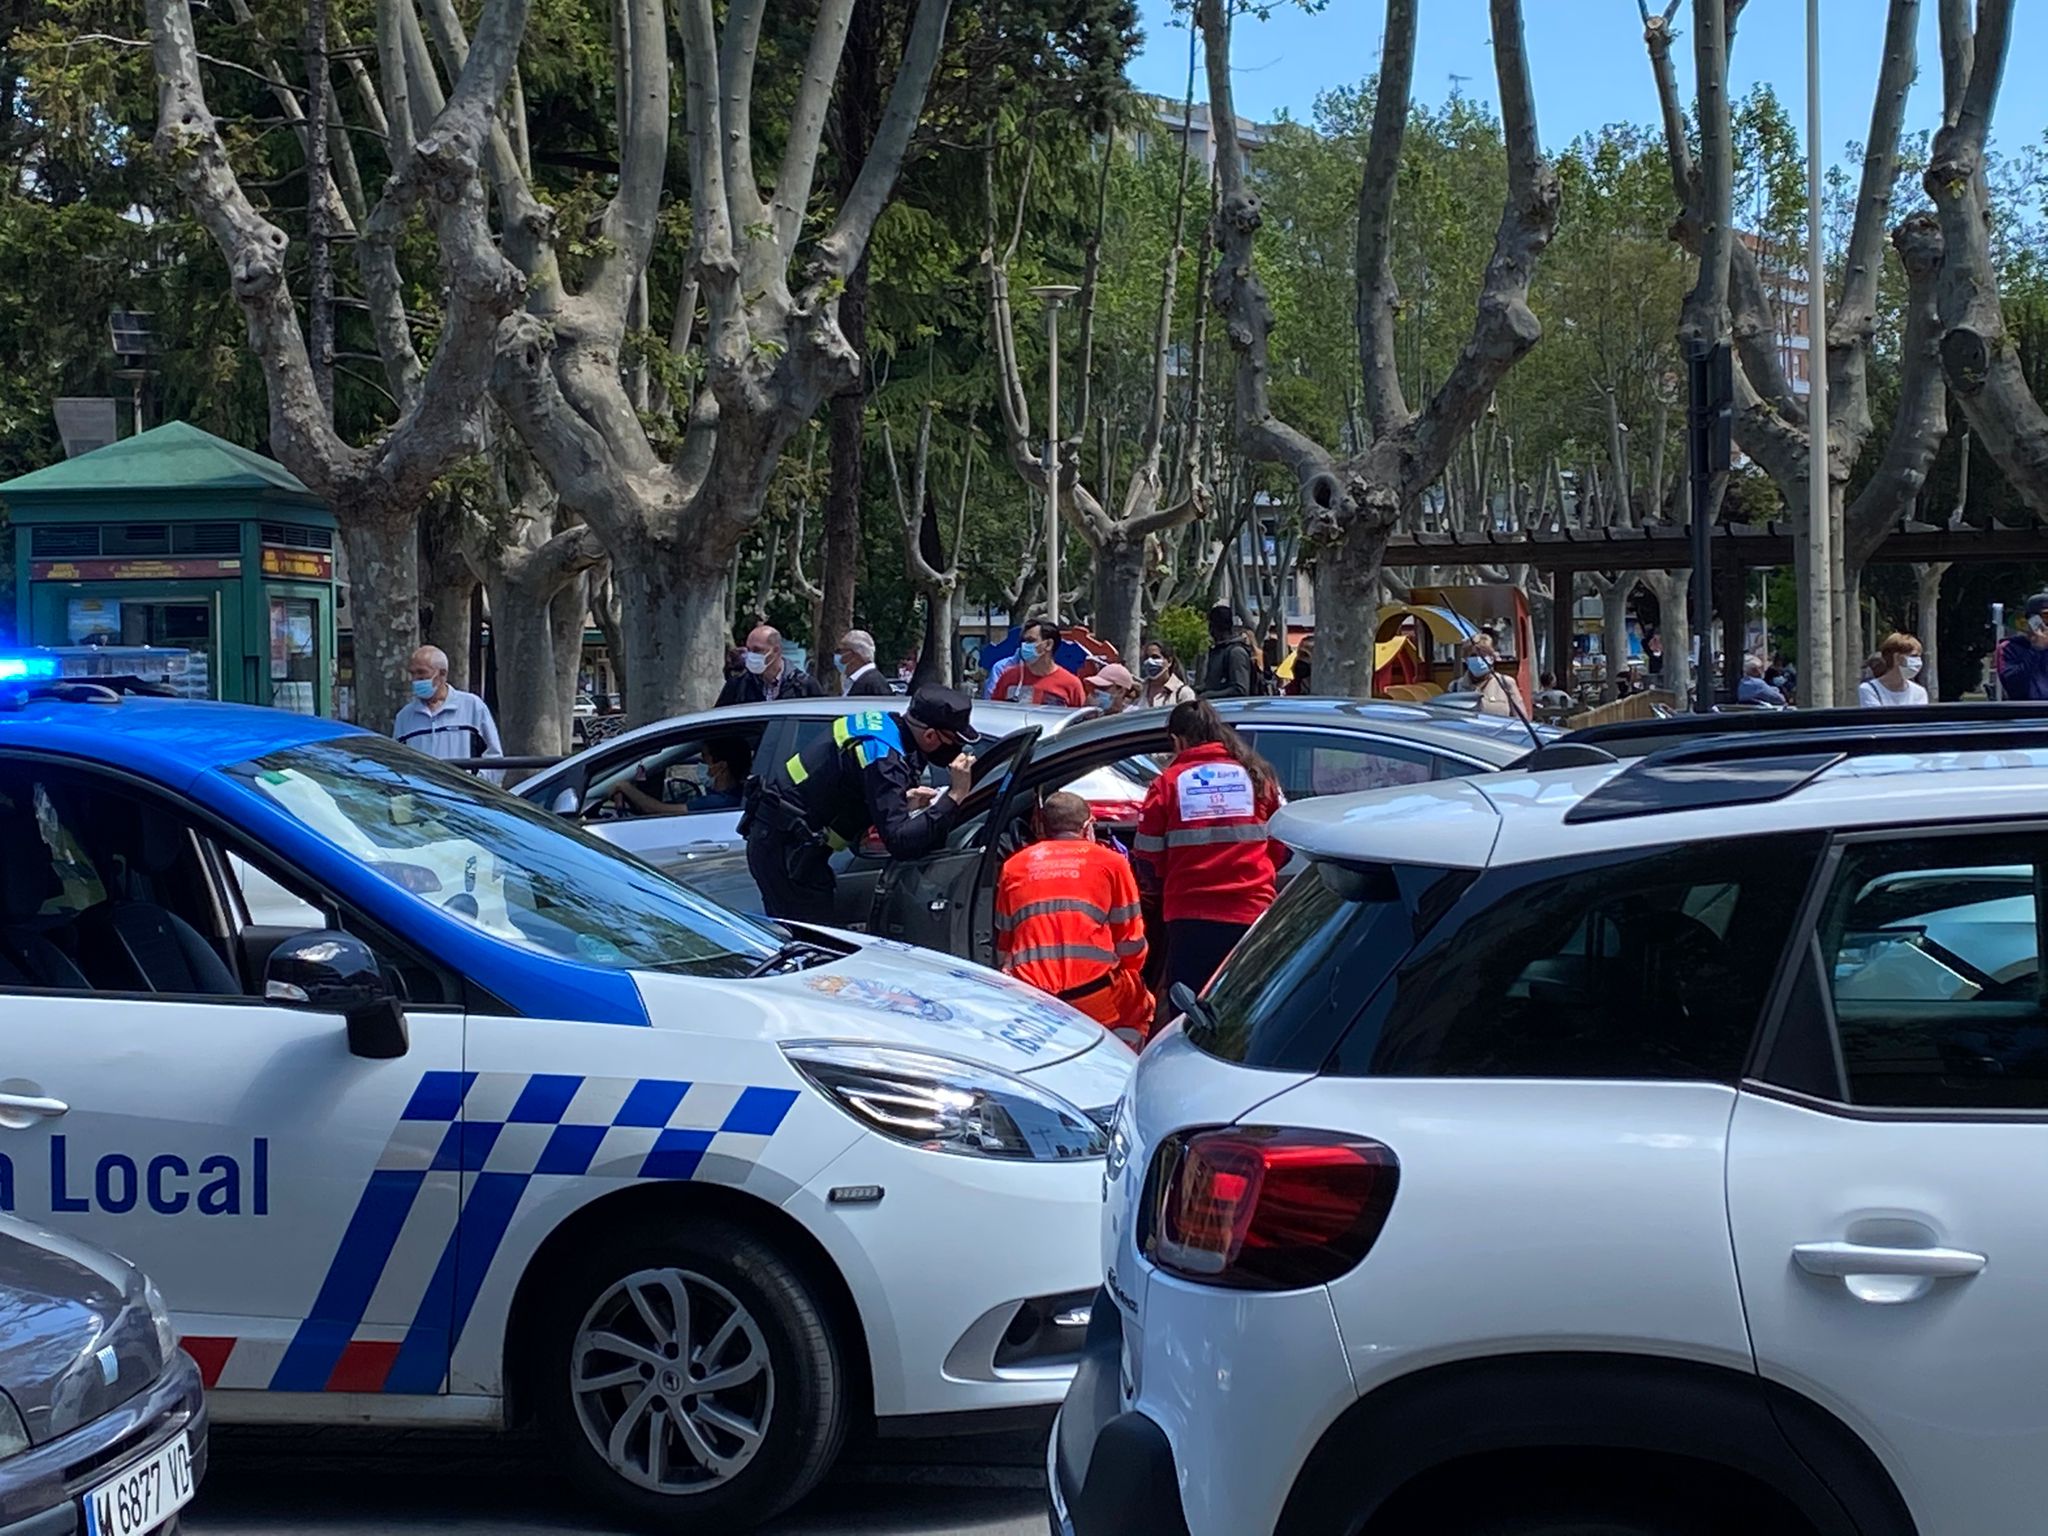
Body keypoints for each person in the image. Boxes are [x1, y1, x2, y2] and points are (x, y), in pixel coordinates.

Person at [741, 687, 979, 922]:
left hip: (783, 839)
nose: (957, 750)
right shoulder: (884, 756)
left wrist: (902, 802)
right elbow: (900, 842)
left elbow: (849, 785)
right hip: (784, 849)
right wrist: (955, 796)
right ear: (929, 736)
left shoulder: (885, 726)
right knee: (812, 943)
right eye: (954, 741)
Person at [1135, 699, 1287, 1015]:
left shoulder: (1169, 783)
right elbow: (1281, 841)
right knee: (1244, 1011)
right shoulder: (1256, 775)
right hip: (1251, 909)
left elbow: (1147, 856)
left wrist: (1169, 879)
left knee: (1193, 1013)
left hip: (1190, 915)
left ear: (1177, 740)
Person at [994, 791, 1153, 1048]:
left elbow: (1005, 945)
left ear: (1041, 828)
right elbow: (1131, 945)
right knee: (1139, 1002)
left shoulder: (1013, 866)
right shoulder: (1112, 863)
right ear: (1088, 826)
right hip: (1093, 995)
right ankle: (1121, 1064)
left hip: (1032, 996)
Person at [394, 645, 503, 777]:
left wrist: (476, 786)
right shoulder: (404, 717)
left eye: (422, 673)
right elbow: (398, 763)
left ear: (442, 674)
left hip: (464, 794)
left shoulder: (472, 707)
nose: (415, 679)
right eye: (413, 673)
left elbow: (494, 758)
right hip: (423, 795)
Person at [613, 736, 753, 817]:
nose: (700, 763)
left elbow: (655, 809)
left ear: (721, 766)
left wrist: (625, 787)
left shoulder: (719, 803)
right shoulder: (737, 794)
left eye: (705, 758)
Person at [983, 617, 1088, 707]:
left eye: (1030, 641)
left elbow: (1079, 725)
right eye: (1023, 641)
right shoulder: (1008, 677)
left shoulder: (1071, 684)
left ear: (1048, 645)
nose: (1024, 646)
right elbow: (995, 712)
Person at [717, 625, 824, 706]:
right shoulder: (738, 685)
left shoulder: (803, 686)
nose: (751, 655)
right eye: (749, 650)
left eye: (757, 650)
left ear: (776, 650)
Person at [1455, 635, 1525, 718]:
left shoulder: (1506, 683)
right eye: (1473, 655)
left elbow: (1521, 720)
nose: (1478, 659)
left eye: (1483, 655)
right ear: (1466, 659)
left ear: (1492, 658)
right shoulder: (1455, 687)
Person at [1199, 605, 1255, 699]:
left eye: (1210, 625)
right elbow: (1214, 684)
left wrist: (1209, 695)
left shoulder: (1236, 653)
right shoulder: (1218, 651)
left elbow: (1240, 690)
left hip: (1231, 710)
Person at [1999, 593, 2048, 700]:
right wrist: (2036, 650)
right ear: (2032, 620)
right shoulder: (2009, 647)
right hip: (2028, 712)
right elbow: (2015, 686)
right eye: (2046, 616)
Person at [1860, 632, 1929, 708]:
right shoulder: (1869, 689)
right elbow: (1876, 718)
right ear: (1896, 658)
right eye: (1913, 656)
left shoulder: (1919, 692)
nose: (1918, 661)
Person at [1140, 641, 1196, 709]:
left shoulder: (1183, 693)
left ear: (1169, 661)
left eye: (1155, 657)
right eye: (1146, 658)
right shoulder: (1139, 691)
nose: (1149, 661)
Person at [837, 630, 893, 697]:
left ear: (856, 655)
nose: (839, 656)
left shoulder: (873, 684)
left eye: (841, 651)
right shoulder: (858, 681)